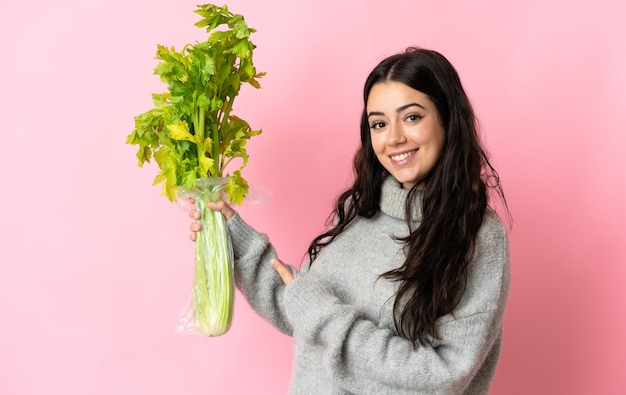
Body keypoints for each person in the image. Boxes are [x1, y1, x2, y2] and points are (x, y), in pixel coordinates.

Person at [189, 47, 510, 394]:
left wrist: (324, 314)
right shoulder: (363, 212)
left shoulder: (476, 234)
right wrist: (230, 237)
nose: (394, 137)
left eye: (412, 117)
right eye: (379, 123)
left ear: (447, 119)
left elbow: (443, 377)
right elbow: (304, 311)